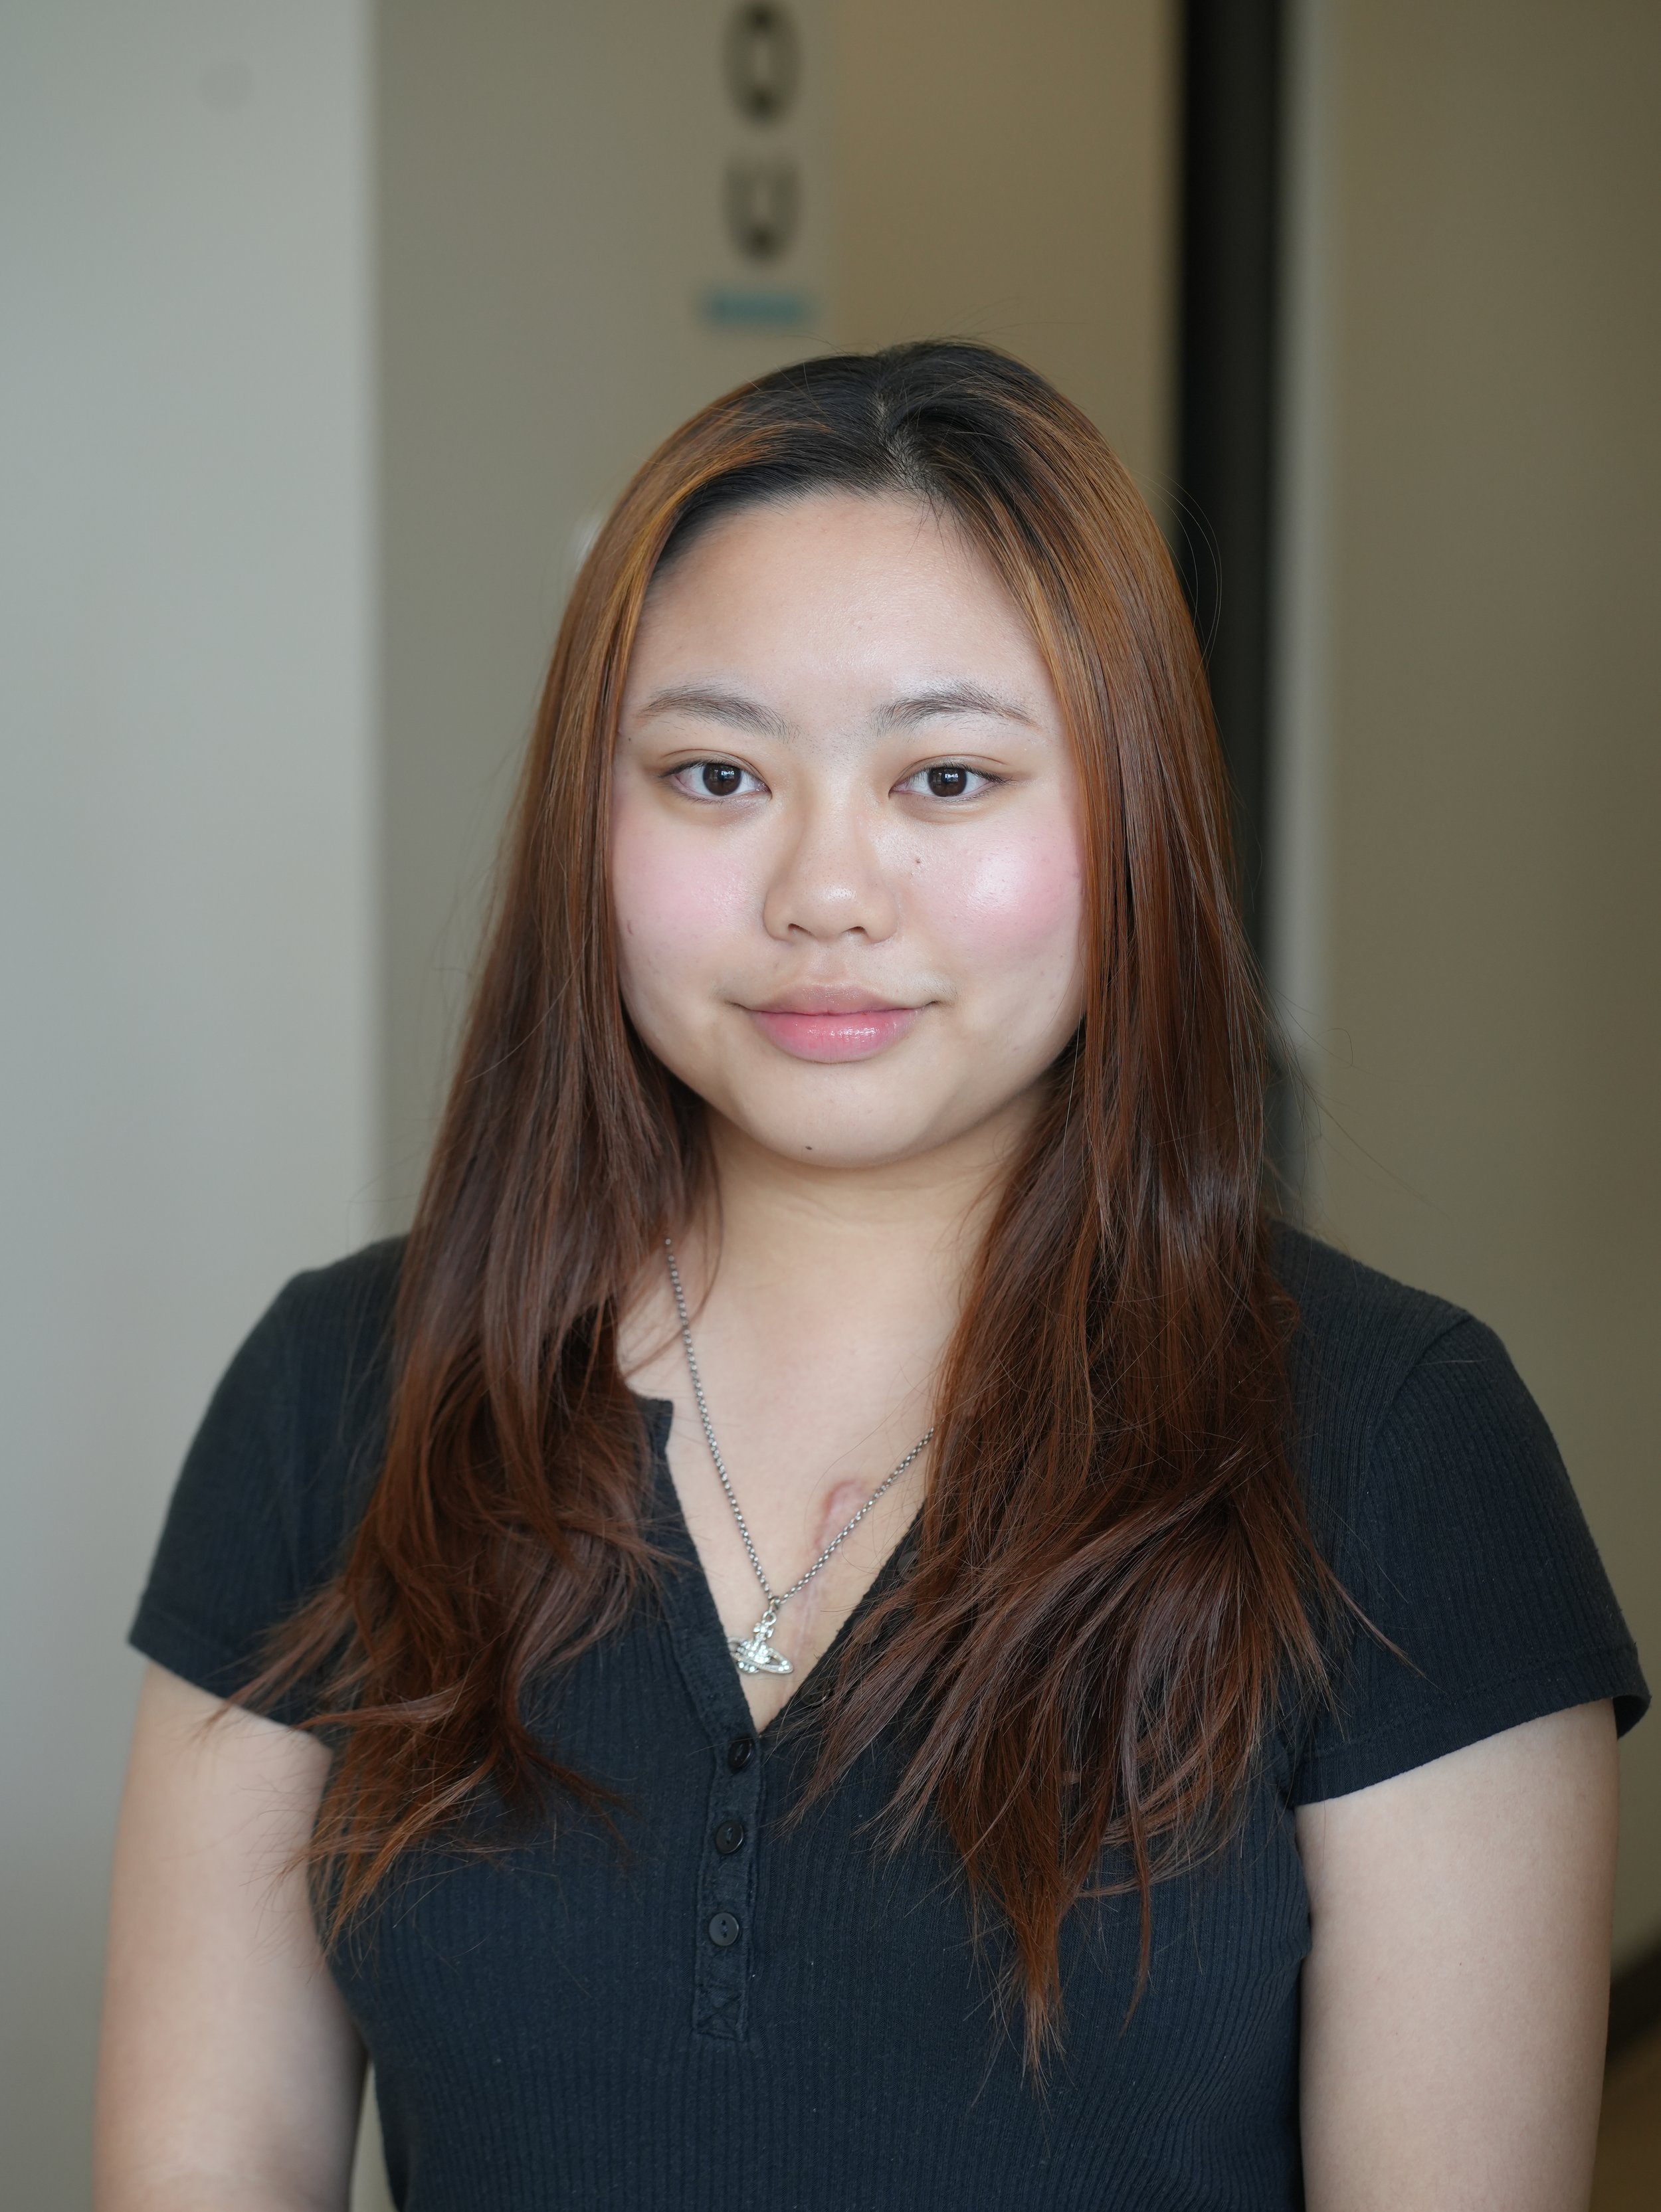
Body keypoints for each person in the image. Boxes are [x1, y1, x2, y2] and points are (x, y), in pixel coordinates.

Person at [96, 343, 1645, 2212]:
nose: (825, 891)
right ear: (592, 824)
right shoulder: (343, 1392)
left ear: (1132, 819)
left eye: (948, 775)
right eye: (715, 774)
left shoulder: (1398, 1450)